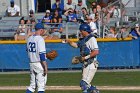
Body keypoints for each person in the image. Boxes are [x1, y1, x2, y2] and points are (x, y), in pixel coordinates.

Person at [67, 24, 100, 93]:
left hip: (90, 63)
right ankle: (95, 91)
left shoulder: (91, 38)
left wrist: (85, 57)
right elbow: (76, 45)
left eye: (81, 30)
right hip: (86, 64)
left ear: (85, 30)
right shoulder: (83, 39)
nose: (80, 32)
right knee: (88, 85)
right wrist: (69, 42)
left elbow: (96, 51)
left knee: (83, 84)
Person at [26, 23, 48, 93]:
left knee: (32, 86)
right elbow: (41, 55)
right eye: (43, 30)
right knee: (41, 87)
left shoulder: (29, 38)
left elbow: (27, 50)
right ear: (41, 30)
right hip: (39, 63)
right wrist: (45, 67)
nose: (44, 31)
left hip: (31, 63)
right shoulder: (40, 39)